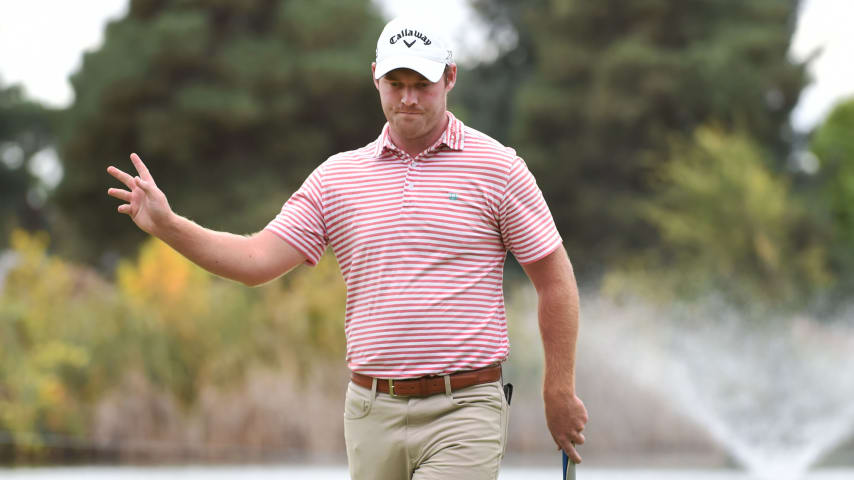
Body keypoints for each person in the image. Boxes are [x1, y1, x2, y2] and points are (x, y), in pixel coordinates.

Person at [107, 16, 587, 480]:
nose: (408, 98)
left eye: (422, 84)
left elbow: (555, 281)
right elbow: (255, 261)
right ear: (375, 78)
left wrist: (557, 388)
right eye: (396, 83)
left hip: (464, 408)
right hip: (370, 410)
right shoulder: (337, 178)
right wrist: (169, 226)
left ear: (450, 78)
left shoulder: (498, 168)